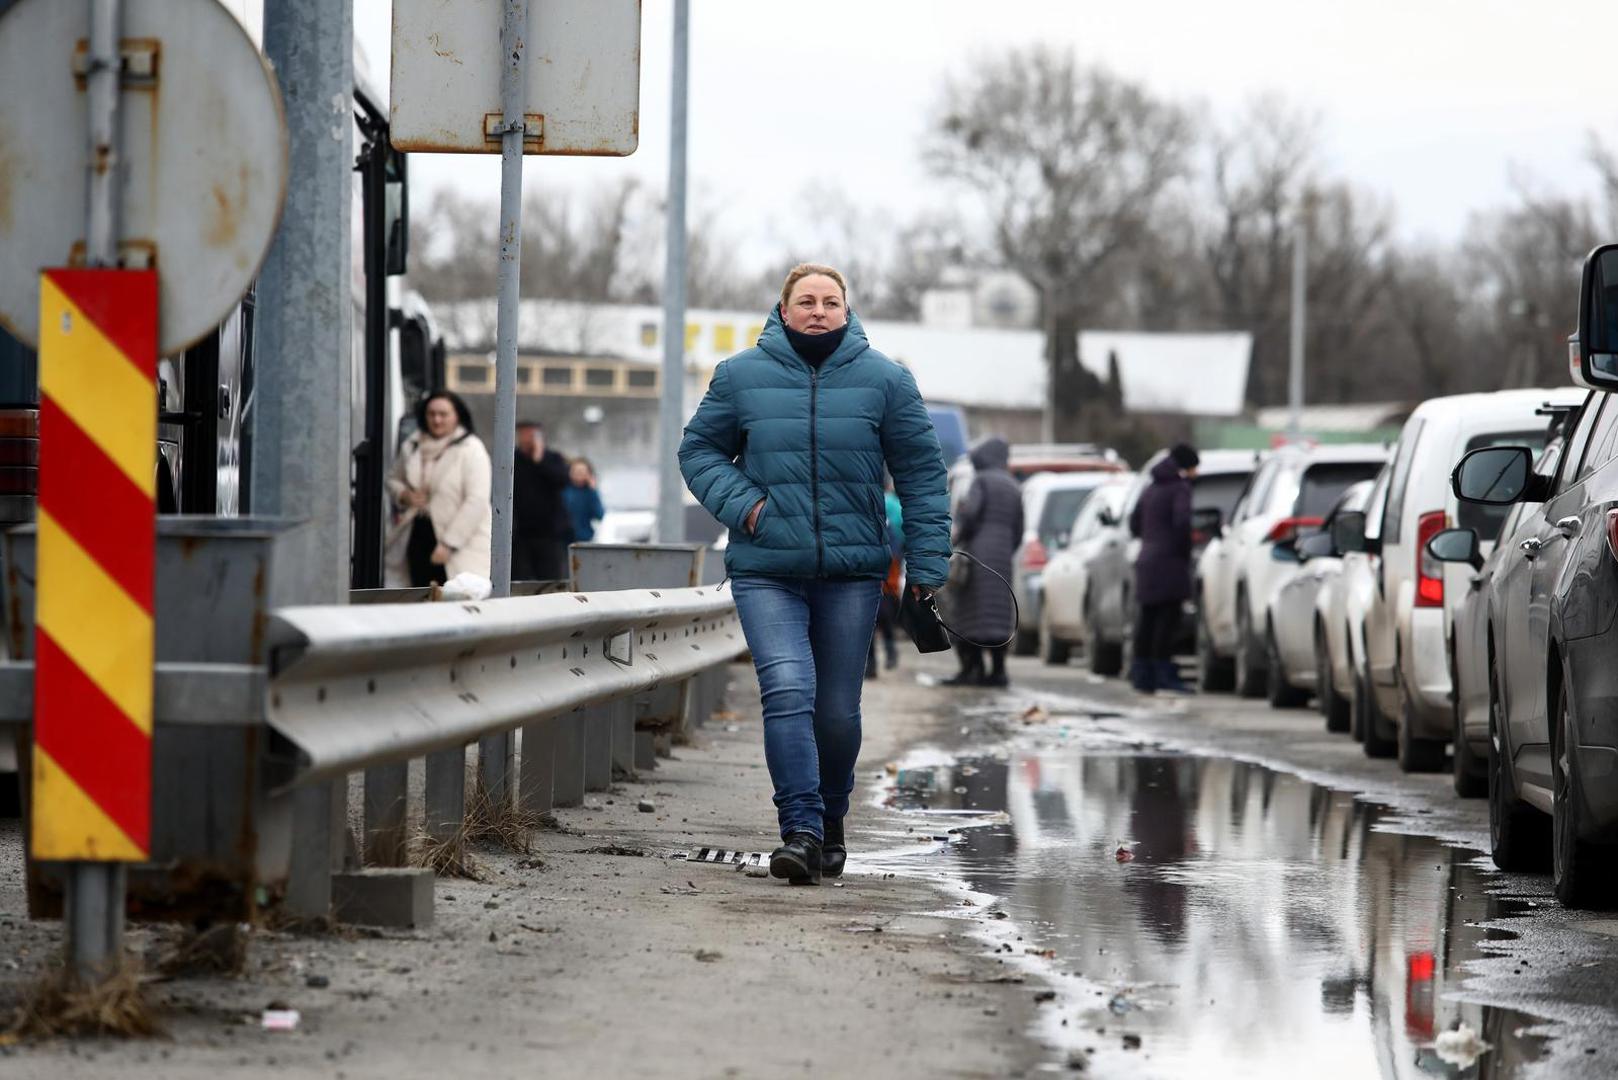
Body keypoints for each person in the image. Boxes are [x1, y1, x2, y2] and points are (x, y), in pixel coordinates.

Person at [679, 263, 951, 885]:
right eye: (807, 300)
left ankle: (831, 818)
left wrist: (927, 569)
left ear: (847, 310)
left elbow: (922, 477)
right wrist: (748, 506)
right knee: (787, 690)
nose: (819, 310)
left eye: (831, 300)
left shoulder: (886, 380)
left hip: (853, 573)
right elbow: (698, 450)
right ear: (783, 308)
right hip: (767, 567)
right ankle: (799, 829)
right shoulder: (739, 377)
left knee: (835, 711)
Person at [384, 390, 491, 587]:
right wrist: (404, 495)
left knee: (457, 595)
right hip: (417, 534)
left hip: (458, 543)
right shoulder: (413, 445)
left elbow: (477, 500)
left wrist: (450, 543)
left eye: (443, 414)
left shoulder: (471, 449)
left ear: (456, 416)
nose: (437, 420)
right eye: (431, 414)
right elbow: (392, 479)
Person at [943, 436, 1023, 688]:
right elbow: (1020, 528)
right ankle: (998, 670)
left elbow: (970, 515)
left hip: (978, 556)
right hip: (1002, 559)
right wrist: (1007, 549)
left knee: (970, 613)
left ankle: (972, 668)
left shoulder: (981, 481)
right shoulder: (1013, 486)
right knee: (999, 613)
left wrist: (958, 538)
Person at [1129, 443, 1199, 694]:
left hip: (1146, 560)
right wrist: (1184, 550)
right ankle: (1163, 673)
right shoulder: (1180, 489)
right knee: (1167, 621)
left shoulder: (1151, 488)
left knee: (1147, 620)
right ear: (1186, 466)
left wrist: (1151, 539)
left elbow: (1133, 523)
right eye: (1194, 467)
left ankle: (1141, 674)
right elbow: (1182, 523)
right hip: (1169, 563)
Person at [512, 420, 573, 582]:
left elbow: (563, 480)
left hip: (549, 533)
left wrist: (540, 460)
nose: (529, 438)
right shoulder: (513, 460)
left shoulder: (553, 458)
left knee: (550, 579)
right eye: (525, 434)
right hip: (520, 534)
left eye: (533, 434)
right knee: (520, 579)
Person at [866, 477, 904, 679]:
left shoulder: (871, 503)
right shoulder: (894, 505)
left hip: (877, 573)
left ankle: (873, 663)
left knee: (873, 621)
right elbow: (901, 538)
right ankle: (886, 655)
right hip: (889, 572)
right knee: (883, 619)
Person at [563, 457, 606, 544]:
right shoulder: (563, 490)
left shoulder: (590, 492)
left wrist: (593, 491)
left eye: (582, 471)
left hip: (584, 539)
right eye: (575, 471)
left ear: (588, 474)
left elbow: (600, 515)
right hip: (563, 540)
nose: (578, 474)